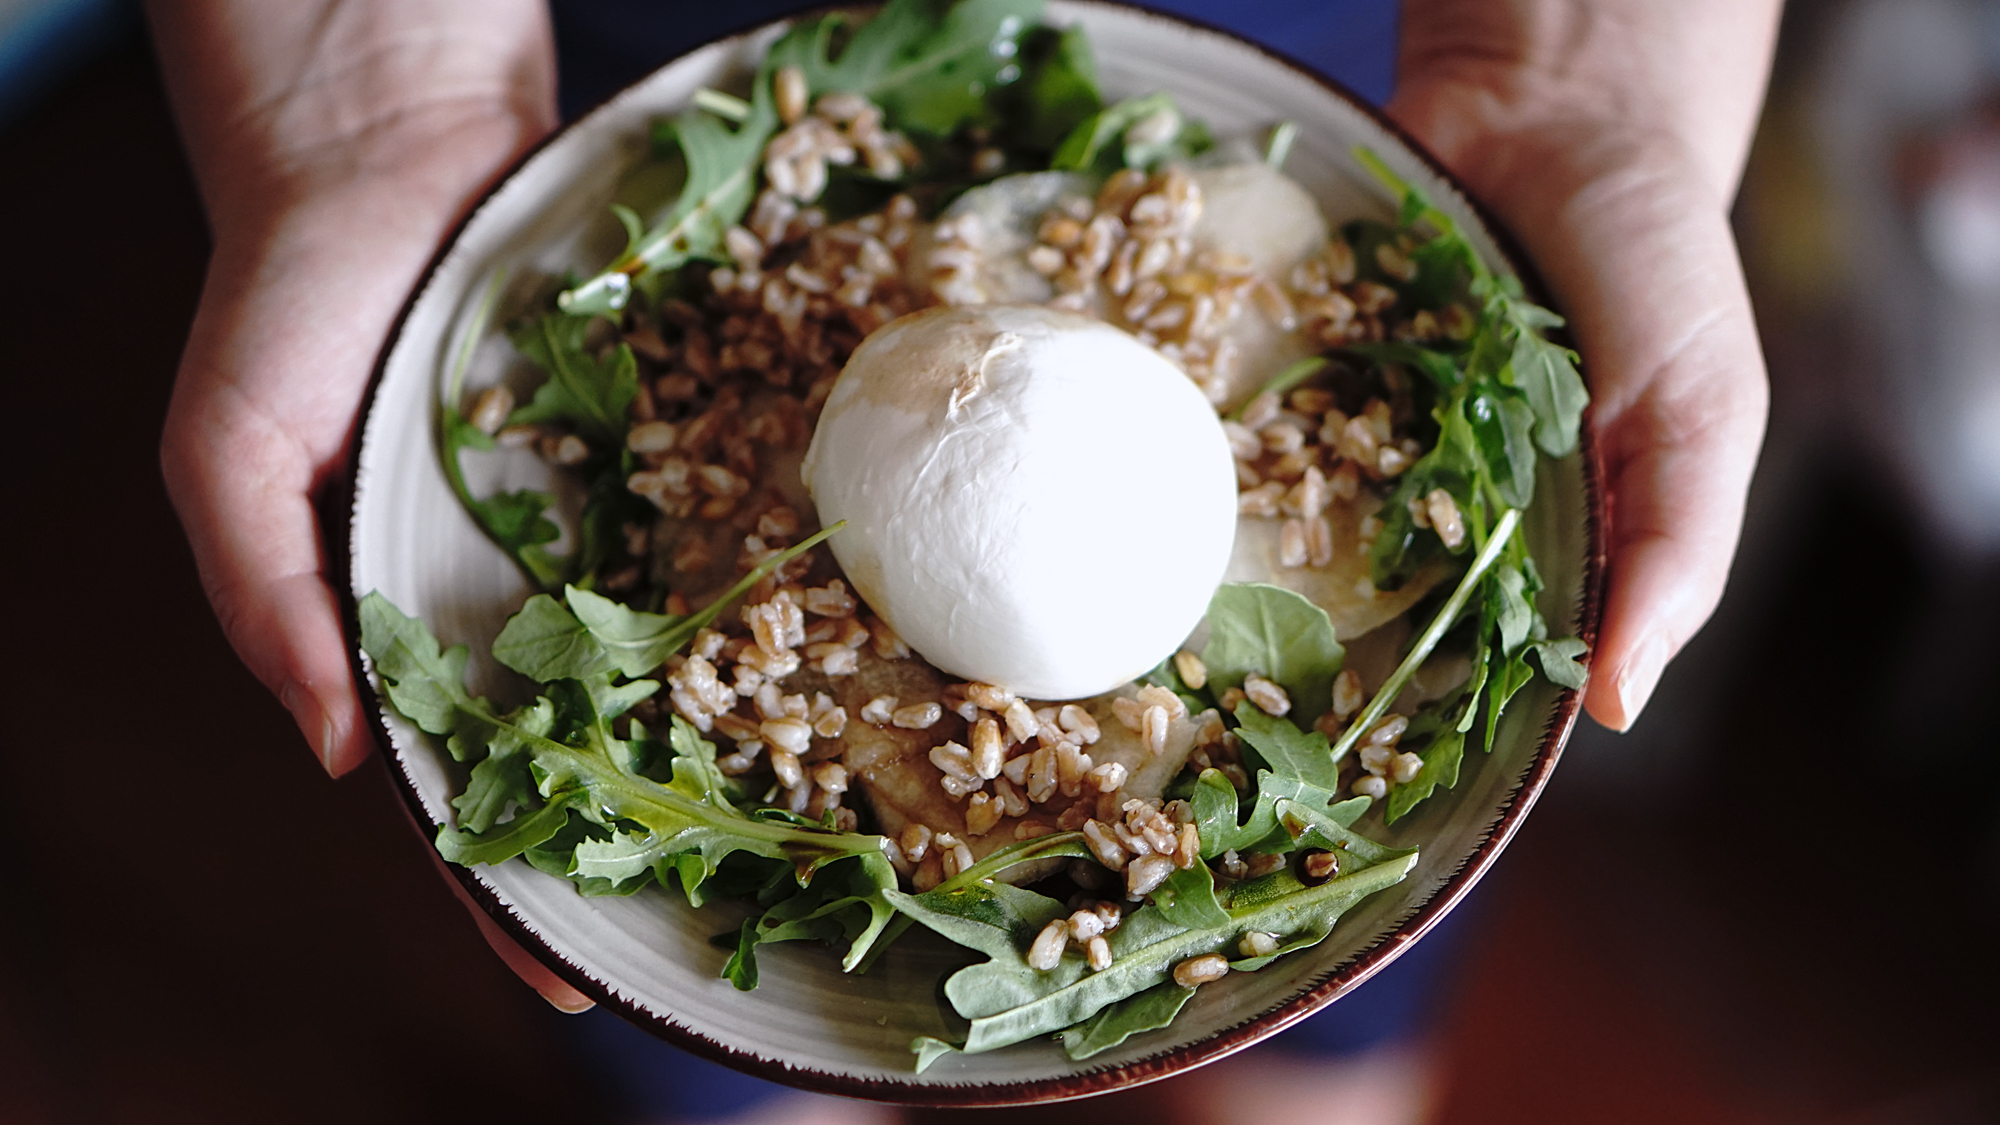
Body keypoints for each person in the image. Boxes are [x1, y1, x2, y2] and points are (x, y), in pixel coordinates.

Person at [147, 0, 1779, 1115]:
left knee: (1319, 990)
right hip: (593, 64)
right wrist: (368, 92)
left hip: (1368, 56)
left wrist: (1584, 75)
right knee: (692, 1025)